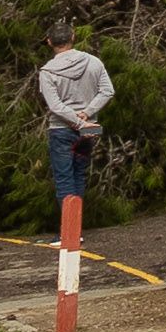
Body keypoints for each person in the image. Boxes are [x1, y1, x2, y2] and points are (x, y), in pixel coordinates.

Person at [36, 19, 112, 236]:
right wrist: (87, 114)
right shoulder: (94, 62)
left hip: (62, 130)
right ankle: (75, 228)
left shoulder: (47, 71)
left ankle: (70, 233)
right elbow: (107, 91)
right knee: (79, 175)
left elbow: (55, 105)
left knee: (64, 179)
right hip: (88, 129)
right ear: (73, 37)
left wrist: (79, 120)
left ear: (49, 42)